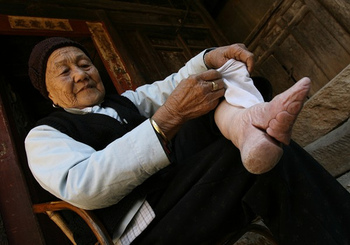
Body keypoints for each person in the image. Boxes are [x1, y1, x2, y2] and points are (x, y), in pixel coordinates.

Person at [25, 37, 350, 245]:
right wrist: (165, 120)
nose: (81, 74)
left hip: (176, 192)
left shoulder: (124, 102)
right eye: (64, 72)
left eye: (84, 64)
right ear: (49, 92)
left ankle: (248, 127)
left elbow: (172, 86)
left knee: (214, 91)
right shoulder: (44, 135)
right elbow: (82, 184)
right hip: (144, 229)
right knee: (254, 160)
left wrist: (210, 60)